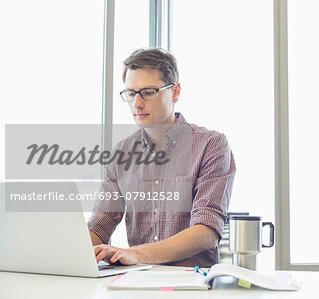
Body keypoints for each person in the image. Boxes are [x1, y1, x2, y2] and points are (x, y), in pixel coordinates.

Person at [87, 48, 236, 268]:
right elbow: (101, 225)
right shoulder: (120, 155)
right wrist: (63, 253)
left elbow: (207, 231)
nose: (137, 104)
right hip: (136, 283)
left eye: (148, 92)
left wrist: (136, 254)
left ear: (175, 92)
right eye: (131, 93)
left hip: (192, 283)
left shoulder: (211, 145)